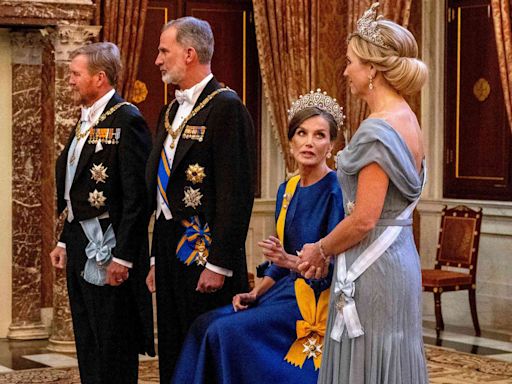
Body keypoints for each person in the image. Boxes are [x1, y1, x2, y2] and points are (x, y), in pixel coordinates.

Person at [171, 90, 345, 384]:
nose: (309, 142)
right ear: (290, 142)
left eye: (320, 135)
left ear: (331, 145)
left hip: (315, 301)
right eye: (302, 133)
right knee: (204, 324)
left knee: (224, 333)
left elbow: (333, 270)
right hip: (282, 291)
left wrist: (289, 261)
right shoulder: (287, 190)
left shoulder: (336, 190)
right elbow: (278, 264)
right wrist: (255, 293)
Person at [297, 3, 429, 383]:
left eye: (351, 61)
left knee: (369, 360)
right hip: (398, 258)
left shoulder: (378, 129)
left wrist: (320, 249)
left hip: (373, 267)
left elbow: (365, 218)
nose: (345, 70)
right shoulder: (409, 118)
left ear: (372, 69)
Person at [144, 17, 256, 383]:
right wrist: (157, 257)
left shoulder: (226, 108)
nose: (158, 59)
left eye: (164, 50)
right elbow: (164, 194)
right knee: (174, 349)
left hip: (205, 255)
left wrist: (219, 264)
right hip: (171, 249)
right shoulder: (170, 111)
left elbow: (236, 194)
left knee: (207, 353)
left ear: (189, 53)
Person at [49, 42, 155, 384]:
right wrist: (65, 241)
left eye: (75, 74)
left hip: (110, 245)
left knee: (112, 339)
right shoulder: (85, 119)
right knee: (88, 336)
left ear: (100, 77)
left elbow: (137, 197)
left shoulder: (128, 119)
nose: (70, 81)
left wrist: (123, 257)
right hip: (81, 240)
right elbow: (74, 187)